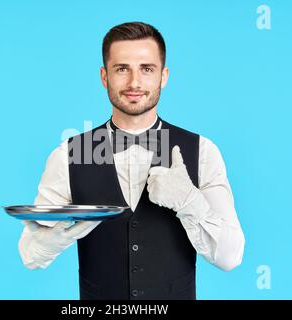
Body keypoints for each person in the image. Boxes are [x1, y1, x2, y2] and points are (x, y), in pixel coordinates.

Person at [18, 22, 245, 300]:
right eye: (122, 69)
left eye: (147, 69)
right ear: (105, 77)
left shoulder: (203, 152)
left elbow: (230, 256)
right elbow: (30, 255)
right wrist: (52, 240)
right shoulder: (68, 155)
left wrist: (189, 200)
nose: (134, 82)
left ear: (164, 76)